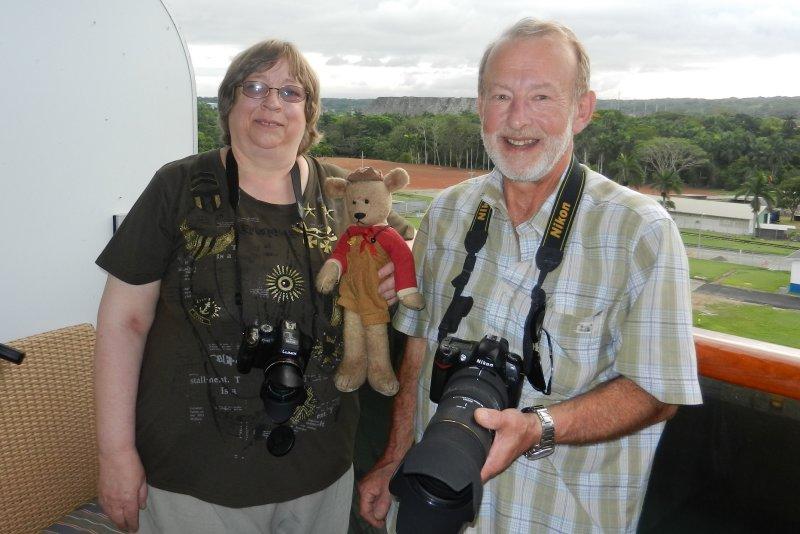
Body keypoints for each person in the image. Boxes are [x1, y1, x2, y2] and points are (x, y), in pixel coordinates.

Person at [358, 18, 702, 533]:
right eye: (500, 96)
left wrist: (539, 426)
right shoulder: (448, 214)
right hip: (437, 508)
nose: (518, 120)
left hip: (560, 519)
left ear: (582, 109)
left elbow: (658, 391)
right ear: (479, 106)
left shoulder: (639, 231)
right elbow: (419, 352)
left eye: (542, 97)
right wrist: (393, 457)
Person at [94, 39, 412, 533]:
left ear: (309, 112)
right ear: (229, 102)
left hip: (321, 470)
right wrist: (115, 452)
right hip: (195, 477)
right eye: (256, 87)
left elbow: (388, 273)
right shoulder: (179, 187)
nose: (271, 103)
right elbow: (123, 322)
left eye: (290, 92)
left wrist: (392, 281)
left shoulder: (341, 194)